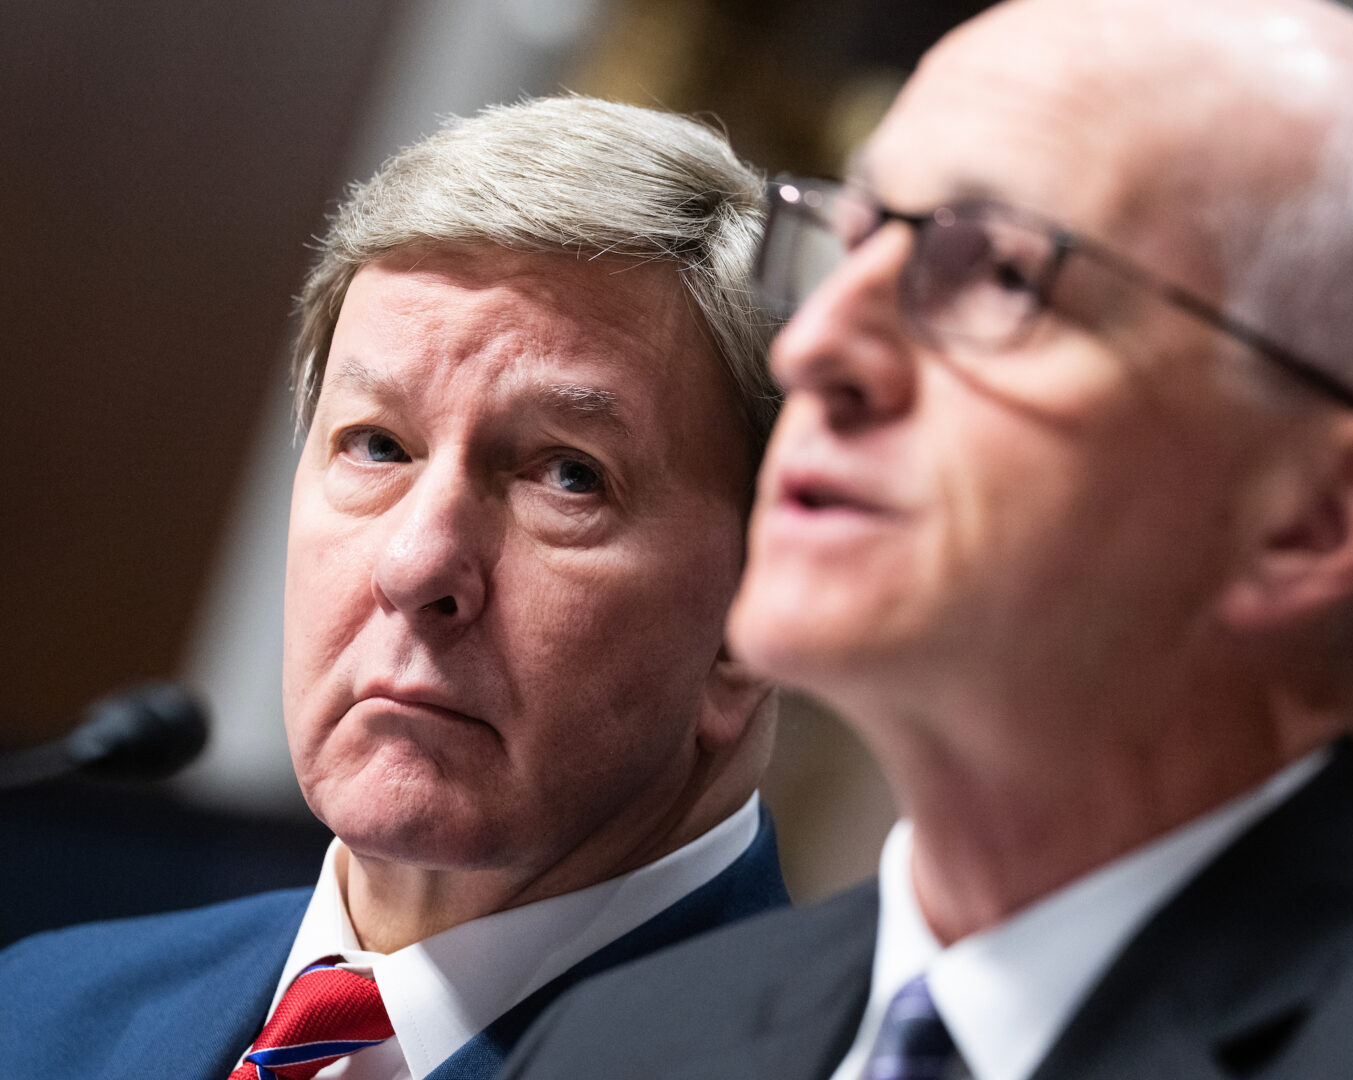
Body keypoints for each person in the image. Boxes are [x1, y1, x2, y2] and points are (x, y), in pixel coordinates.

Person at [502, 2, 1353, 1078]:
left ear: (1315, 522)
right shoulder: (619, 1042)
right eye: (846, 244)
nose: (814, 349)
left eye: (996, 273)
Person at [0, 94, 788, 1080]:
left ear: (760, 614)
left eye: (567, 475)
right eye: (377, 446)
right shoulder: (40, 1014)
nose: (416, 566)